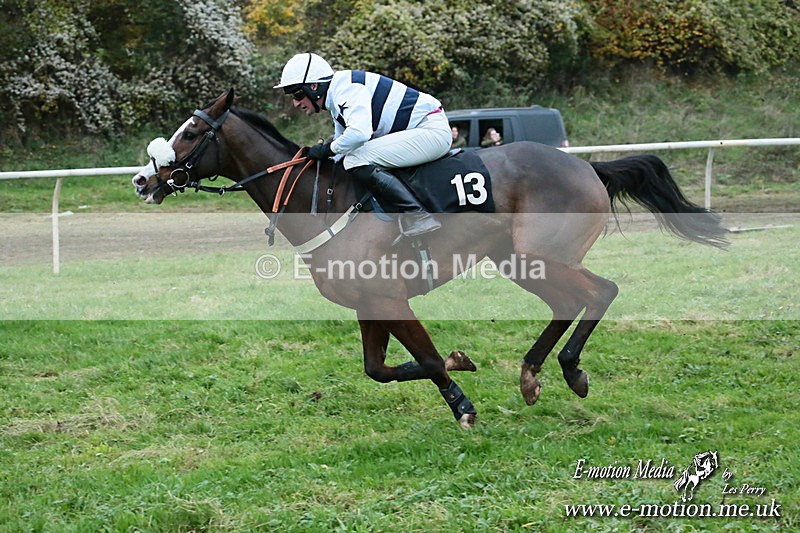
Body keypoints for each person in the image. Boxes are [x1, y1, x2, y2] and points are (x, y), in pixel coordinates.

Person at [275, 52, 451, 240]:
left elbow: (359, 134)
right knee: (350, 158)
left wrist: (327, 149)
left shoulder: (346, 89)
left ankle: (418, 216)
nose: (296, 103)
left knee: (355, 159)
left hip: (431, 131)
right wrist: (319, 156)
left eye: (298, 94)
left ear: (314, 86)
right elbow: (342, 144)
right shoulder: (336, 95)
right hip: (422, 130)